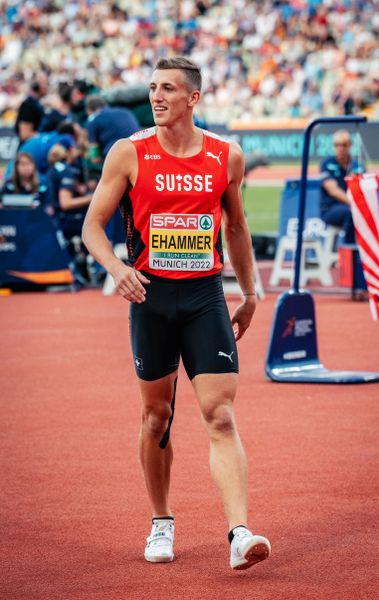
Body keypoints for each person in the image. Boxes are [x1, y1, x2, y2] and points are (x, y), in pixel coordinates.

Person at [82, 56, 271, 570]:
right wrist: (117, 269)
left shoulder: (224, 156)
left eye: (168, 88)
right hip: (151, 299)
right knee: (156, 416)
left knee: (221, 415)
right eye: (152, 88)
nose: (156, 97)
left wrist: (250, 293)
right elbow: (92, 227)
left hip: (204, 297)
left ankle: (239, 531)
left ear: (194, 98)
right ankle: (161, 520)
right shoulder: (128, 153)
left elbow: (236, 229)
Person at [320, 129, 379, 245]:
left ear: (349, 145)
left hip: (356, 205)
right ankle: (351, 251)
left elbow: (367, 187)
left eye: (343, 145)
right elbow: (333, 190)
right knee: (351, 213)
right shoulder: (327, 164)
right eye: (337, 145)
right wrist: (354, 203)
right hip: (331, 209)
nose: (340, 148)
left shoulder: (357, 166)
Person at [85, 95, 140, 163]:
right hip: (140, 150)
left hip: (118, 157)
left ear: (89, 110)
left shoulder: (93, 120)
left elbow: (95, 157)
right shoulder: (125, 111)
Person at [14, 72, 49, 144]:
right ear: (35, 84)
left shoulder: (37, 104)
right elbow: (25, 135)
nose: (47, 86)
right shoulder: (29, 105)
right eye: (44, 83)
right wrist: (47, 136)